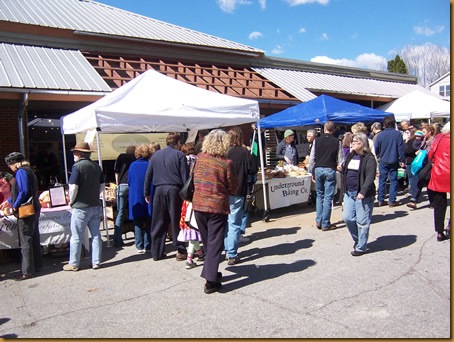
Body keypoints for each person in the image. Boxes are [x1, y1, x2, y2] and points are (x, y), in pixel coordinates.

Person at [192, 129, 238, 294]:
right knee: (214, 244)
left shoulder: (199, 159)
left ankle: (211, 272)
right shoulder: (226, 163)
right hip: (216, 207)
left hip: (198, 205)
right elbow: (232, 186)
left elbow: (192, 179)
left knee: (208, 242)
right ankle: (210, 281)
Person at [144, 133, 188, 261]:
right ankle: (180, 250)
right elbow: (184, 176)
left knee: (158, 221)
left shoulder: (155, 155)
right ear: (178, 143)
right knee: (176, 220)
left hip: (158, 190)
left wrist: (147, 192)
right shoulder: (179, 155)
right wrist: (187, 196)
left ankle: (157, 252)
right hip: (174, 189)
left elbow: (148, 175)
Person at [63, 142, 105, 271]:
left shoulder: (77, 167)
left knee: (76, 236)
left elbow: (73, 187)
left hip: (81, 207)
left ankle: (74, 263)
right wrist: (94, 194)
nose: (74, 155)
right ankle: (96, 261)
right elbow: (102, 185)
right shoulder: (96, 167)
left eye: (75, 153)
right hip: (95, 205)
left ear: (79, 154)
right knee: (96, 234)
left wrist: (71, 201)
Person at [3, 152, 41, 280]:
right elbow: (22, 191)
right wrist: (8, 202)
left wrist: (15, 205)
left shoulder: (21, 172)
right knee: (33, 237)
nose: (10, 167)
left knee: (26, 240)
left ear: (15, 163)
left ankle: (27, 271)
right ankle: (36, 266)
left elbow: (24, 191)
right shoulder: (29, 170)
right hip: (33, 207)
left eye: (10, 164)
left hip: (26, 209)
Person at [224, 127, 258, 265]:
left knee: (226, 222)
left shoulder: (224, 152)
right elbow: (253, 169)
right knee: (234, 223)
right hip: (238, 190)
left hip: (224, 191)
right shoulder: (244, 152)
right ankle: (231, 253)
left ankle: (227, 249)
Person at [340, 133, 377, 256]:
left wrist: (363, 191)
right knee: (348, 218)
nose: (353, 143)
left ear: (363, 143)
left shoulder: (369, 158)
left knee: (362, 222)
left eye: (356, 141)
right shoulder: (351, 155)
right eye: (352, 141)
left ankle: (361, 247)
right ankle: (358, 240)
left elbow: (370, 177)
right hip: (349, 192)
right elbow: (346, 172)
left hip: (362, 194)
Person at [308, 121, 344, 230]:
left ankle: (319, 220)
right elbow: (341, 159)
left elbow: (311, 158)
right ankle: (325, 223)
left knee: (319, 195)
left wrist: (311, 171)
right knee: (328, 197)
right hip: (330, 168)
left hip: (318, 168)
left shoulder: (317, 141)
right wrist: (339, 166)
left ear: (324, 129)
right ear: (334, 130)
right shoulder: (337, 142)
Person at [178, 142, 204, 269]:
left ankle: (199, 253)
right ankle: (189, 259)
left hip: (186, 197)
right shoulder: (197, 160)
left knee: (190, 228)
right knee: (194, 228)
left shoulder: (183, 160)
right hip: (195, 197)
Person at [374, 115, 405, 207]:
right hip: (394, 159)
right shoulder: (398, 134)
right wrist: (402, 159)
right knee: (393, 180)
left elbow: (376, 148)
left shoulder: (380, 135)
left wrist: (379, 156)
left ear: (384, 124)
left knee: (382, 180)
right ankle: (392, 200)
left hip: (383, 160)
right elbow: (401, 148)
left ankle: (380, 199)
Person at [427, 122, 450, 241]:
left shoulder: (439, 137)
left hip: (439, 172)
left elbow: (430, 154)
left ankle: (439, 232)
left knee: (439, 204)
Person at [128, 144, 153, 254]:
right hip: (148, 195)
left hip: (136, 195)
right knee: (148, 220)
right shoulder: (150, 164)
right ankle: (148, 244)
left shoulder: (133, 165)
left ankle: (139, 245)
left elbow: (129, 180)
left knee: (137, 221)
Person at [112, 145, 136, 248]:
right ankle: (138, 236)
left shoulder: (121, 157)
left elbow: (116, 172)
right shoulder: (135, 158)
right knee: (134, 210)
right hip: (132, 186)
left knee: (120, 212)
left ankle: (117, 239)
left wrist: (117, 184)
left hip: (121, 186)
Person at [405, 130, 424, 209]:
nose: (418, 138)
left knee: (414, 179)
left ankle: (413, 196)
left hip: (414, 162)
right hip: (413, 161)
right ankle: (413, 196)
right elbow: (407, 150)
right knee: (413, 178)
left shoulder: (420, 142)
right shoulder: (412, 142)